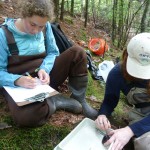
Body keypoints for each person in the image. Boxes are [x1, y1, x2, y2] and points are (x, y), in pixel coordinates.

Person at [0, 0, 98, 127]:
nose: (36, 30)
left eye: (41, 26)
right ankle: (54, 102)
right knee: (26, 117)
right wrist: (17, 80)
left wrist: (44, 69)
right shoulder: (4, 34)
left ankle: (79, 98)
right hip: (18, 86)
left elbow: (53, 52)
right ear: (24, 14)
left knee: (78, 53)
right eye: (32, 24)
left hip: (44, 79)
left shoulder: (46, 28)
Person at [95, 33, 150, 150]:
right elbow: (110, 100)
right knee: (143, 144)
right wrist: (102, 114)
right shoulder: (117, 74)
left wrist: (130, 130)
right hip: (141, 113)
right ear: (126, 56)